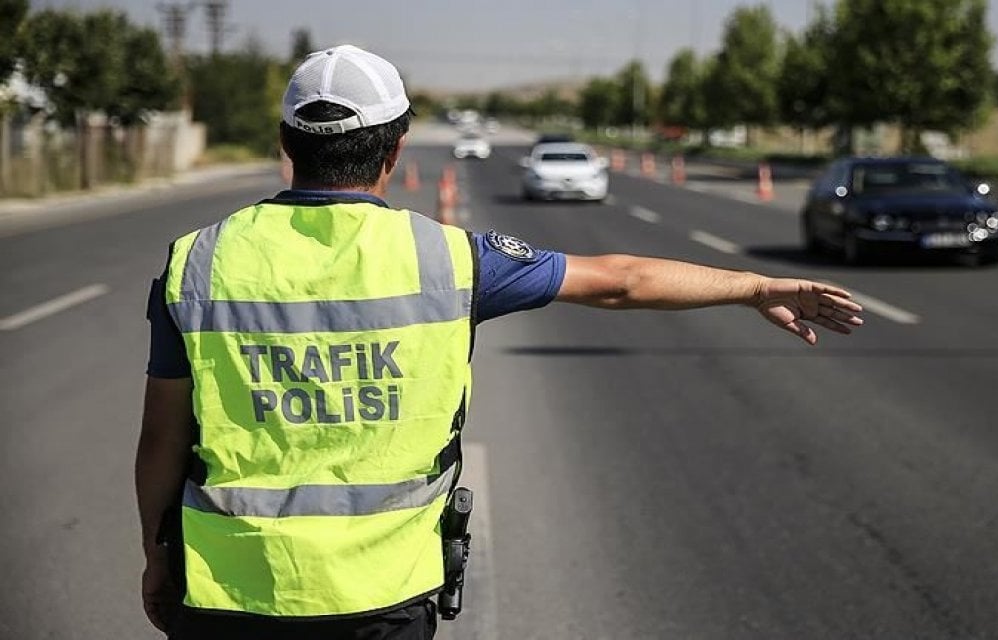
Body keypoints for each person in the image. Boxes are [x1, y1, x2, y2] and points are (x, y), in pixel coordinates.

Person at [135, 45, 863, 640]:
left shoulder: (197, 261)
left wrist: (157, 557)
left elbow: (161, 442)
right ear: (396, 148)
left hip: (229, 591)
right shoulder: (451, 258)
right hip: (384, 596)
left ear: (286, 144)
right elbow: (622, 279)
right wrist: (757, 288)